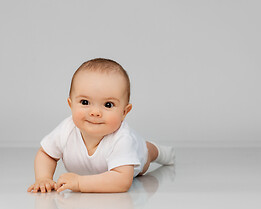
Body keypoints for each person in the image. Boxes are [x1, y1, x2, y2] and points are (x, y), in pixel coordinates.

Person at [27, 58, 175, 193]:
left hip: (137, 152)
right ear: (70, 105)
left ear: (124, 112)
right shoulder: (66, 129)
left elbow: (122, 182)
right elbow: (46, 154)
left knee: (148, 151)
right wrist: (43, 178)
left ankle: (166, 153)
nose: (95, 112)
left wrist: (80, 183)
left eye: (108, 105)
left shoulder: (122, 139)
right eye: (85, 102)